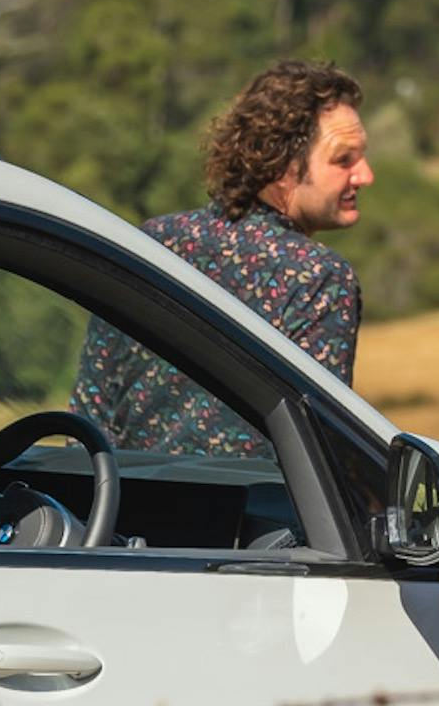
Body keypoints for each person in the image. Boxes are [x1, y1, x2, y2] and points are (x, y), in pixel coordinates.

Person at [71, 59, 374, 457]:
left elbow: (88, 417)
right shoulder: (319, 277)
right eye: (343, 160)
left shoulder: (151, 242)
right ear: (282, 164)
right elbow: (317, 446)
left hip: (119, 510)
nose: (364, 175)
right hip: (246, 516)